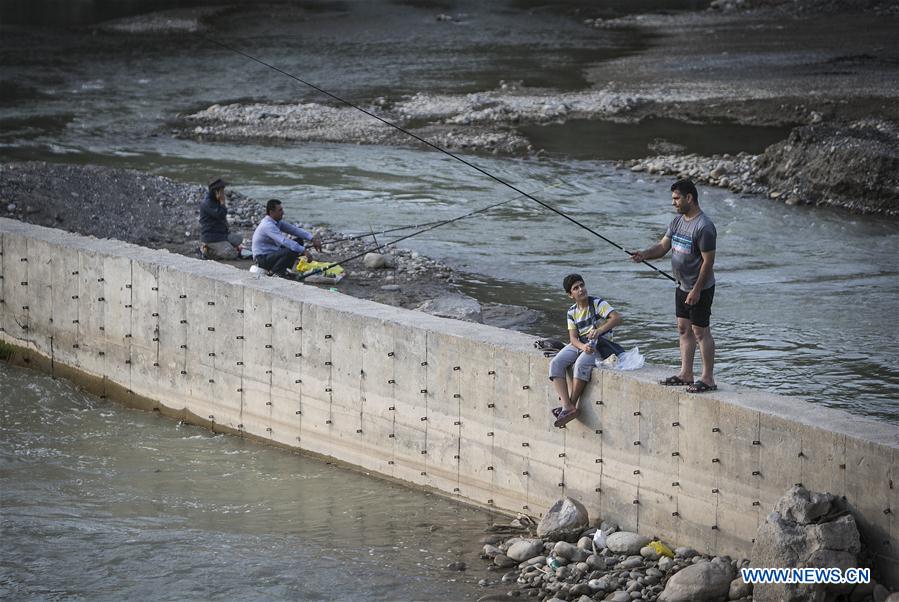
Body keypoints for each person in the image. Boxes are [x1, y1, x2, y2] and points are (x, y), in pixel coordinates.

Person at [630, 179, 717, 393]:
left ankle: (708, 379)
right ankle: (686, 374)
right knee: (683, 329)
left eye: (676, 198)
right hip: (681, 286)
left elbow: (708, 262)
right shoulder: (677, 222)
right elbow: (662, 247)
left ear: (689, 198)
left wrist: (697, 290)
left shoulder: (704, 227)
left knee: (700, 332)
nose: (673, 203)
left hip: (700, 288)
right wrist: (644, 254)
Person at [548, 273, 623, 427]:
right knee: (555, 363)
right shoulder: (571, 312)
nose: (581, 289)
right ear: (570, 295)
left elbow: (616, 317)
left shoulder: (597, 303)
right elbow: (573, 338)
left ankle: (571, 405)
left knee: (581, 364)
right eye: (576, 288)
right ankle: (567, 406)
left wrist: (599, 331)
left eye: (582, 285)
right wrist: (582, 347)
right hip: (581, 344)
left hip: (599, 344)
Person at [251, 199, 321, 278]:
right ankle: (276, 272)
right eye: (280, 210)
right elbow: (284, 241)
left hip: (271, 254)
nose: (283, 212)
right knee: (290, 249)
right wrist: (303, 250)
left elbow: (294, 230)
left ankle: (283, 270)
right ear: (271, 212)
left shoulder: (277, 222)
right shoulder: (267, 225)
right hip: (262, 259)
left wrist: (312, 239)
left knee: (299, 241)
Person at [199, 177, 244, 259]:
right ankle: (208, 251)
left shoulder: (216, 200)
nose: (223, 192)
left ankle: (223, 246)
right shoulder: (207, 203)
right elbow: (221, 215)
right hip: (212, 237)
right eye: (222, 190)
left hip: (222, 234)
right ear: (216, 191)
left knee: (239, 239)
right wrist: (222, 202)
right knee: (232, 254)